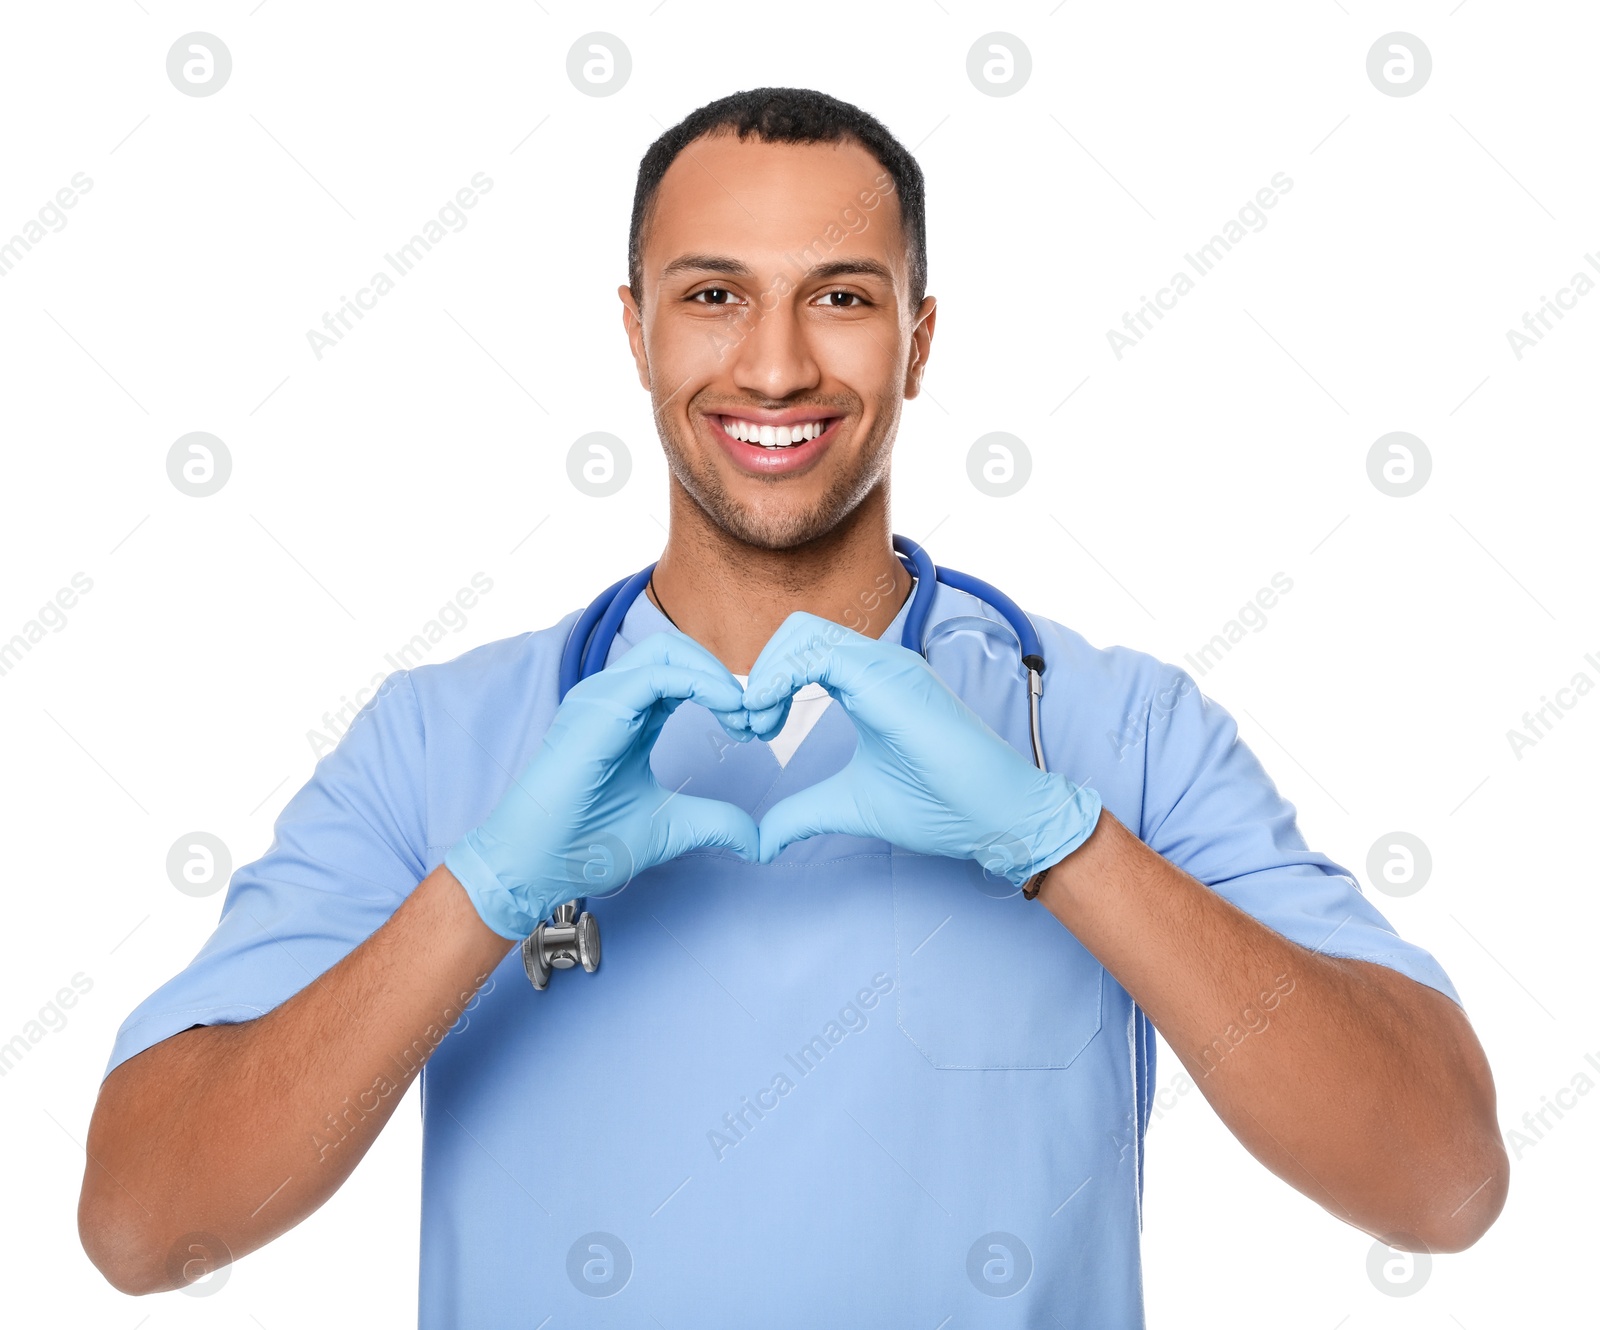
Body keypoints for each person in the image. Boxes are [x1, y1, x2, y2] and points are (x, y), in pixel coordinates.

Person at [79, 88, 1506, 1324]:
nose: (774, 365)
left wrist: (1066, 845)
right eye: (713, 294)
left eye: (841, 294)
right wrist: (483, 892)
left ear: (920, 338)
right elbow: (145, 1226)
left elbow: (1441, 1181)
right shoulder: (439, 741)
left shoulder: (1114, 730)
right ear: (634, 332)